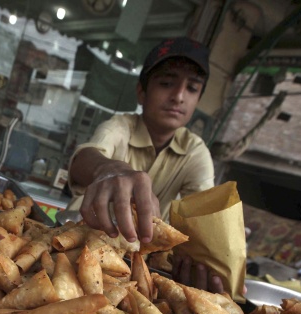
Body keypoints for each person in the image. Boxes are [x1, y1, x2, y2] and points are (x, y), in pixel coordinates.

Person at [66, 37, 218, 289]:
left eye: (192, 88)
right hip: (76, 248)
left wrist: (214, 260)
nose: (179, 96)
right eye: (167, 83)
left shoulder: (195, 152)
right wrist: (108, 169)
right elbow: (84, 159)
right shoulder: (120, 126)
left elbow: (203, 221)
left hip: (138, 271)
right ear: (141, 91)